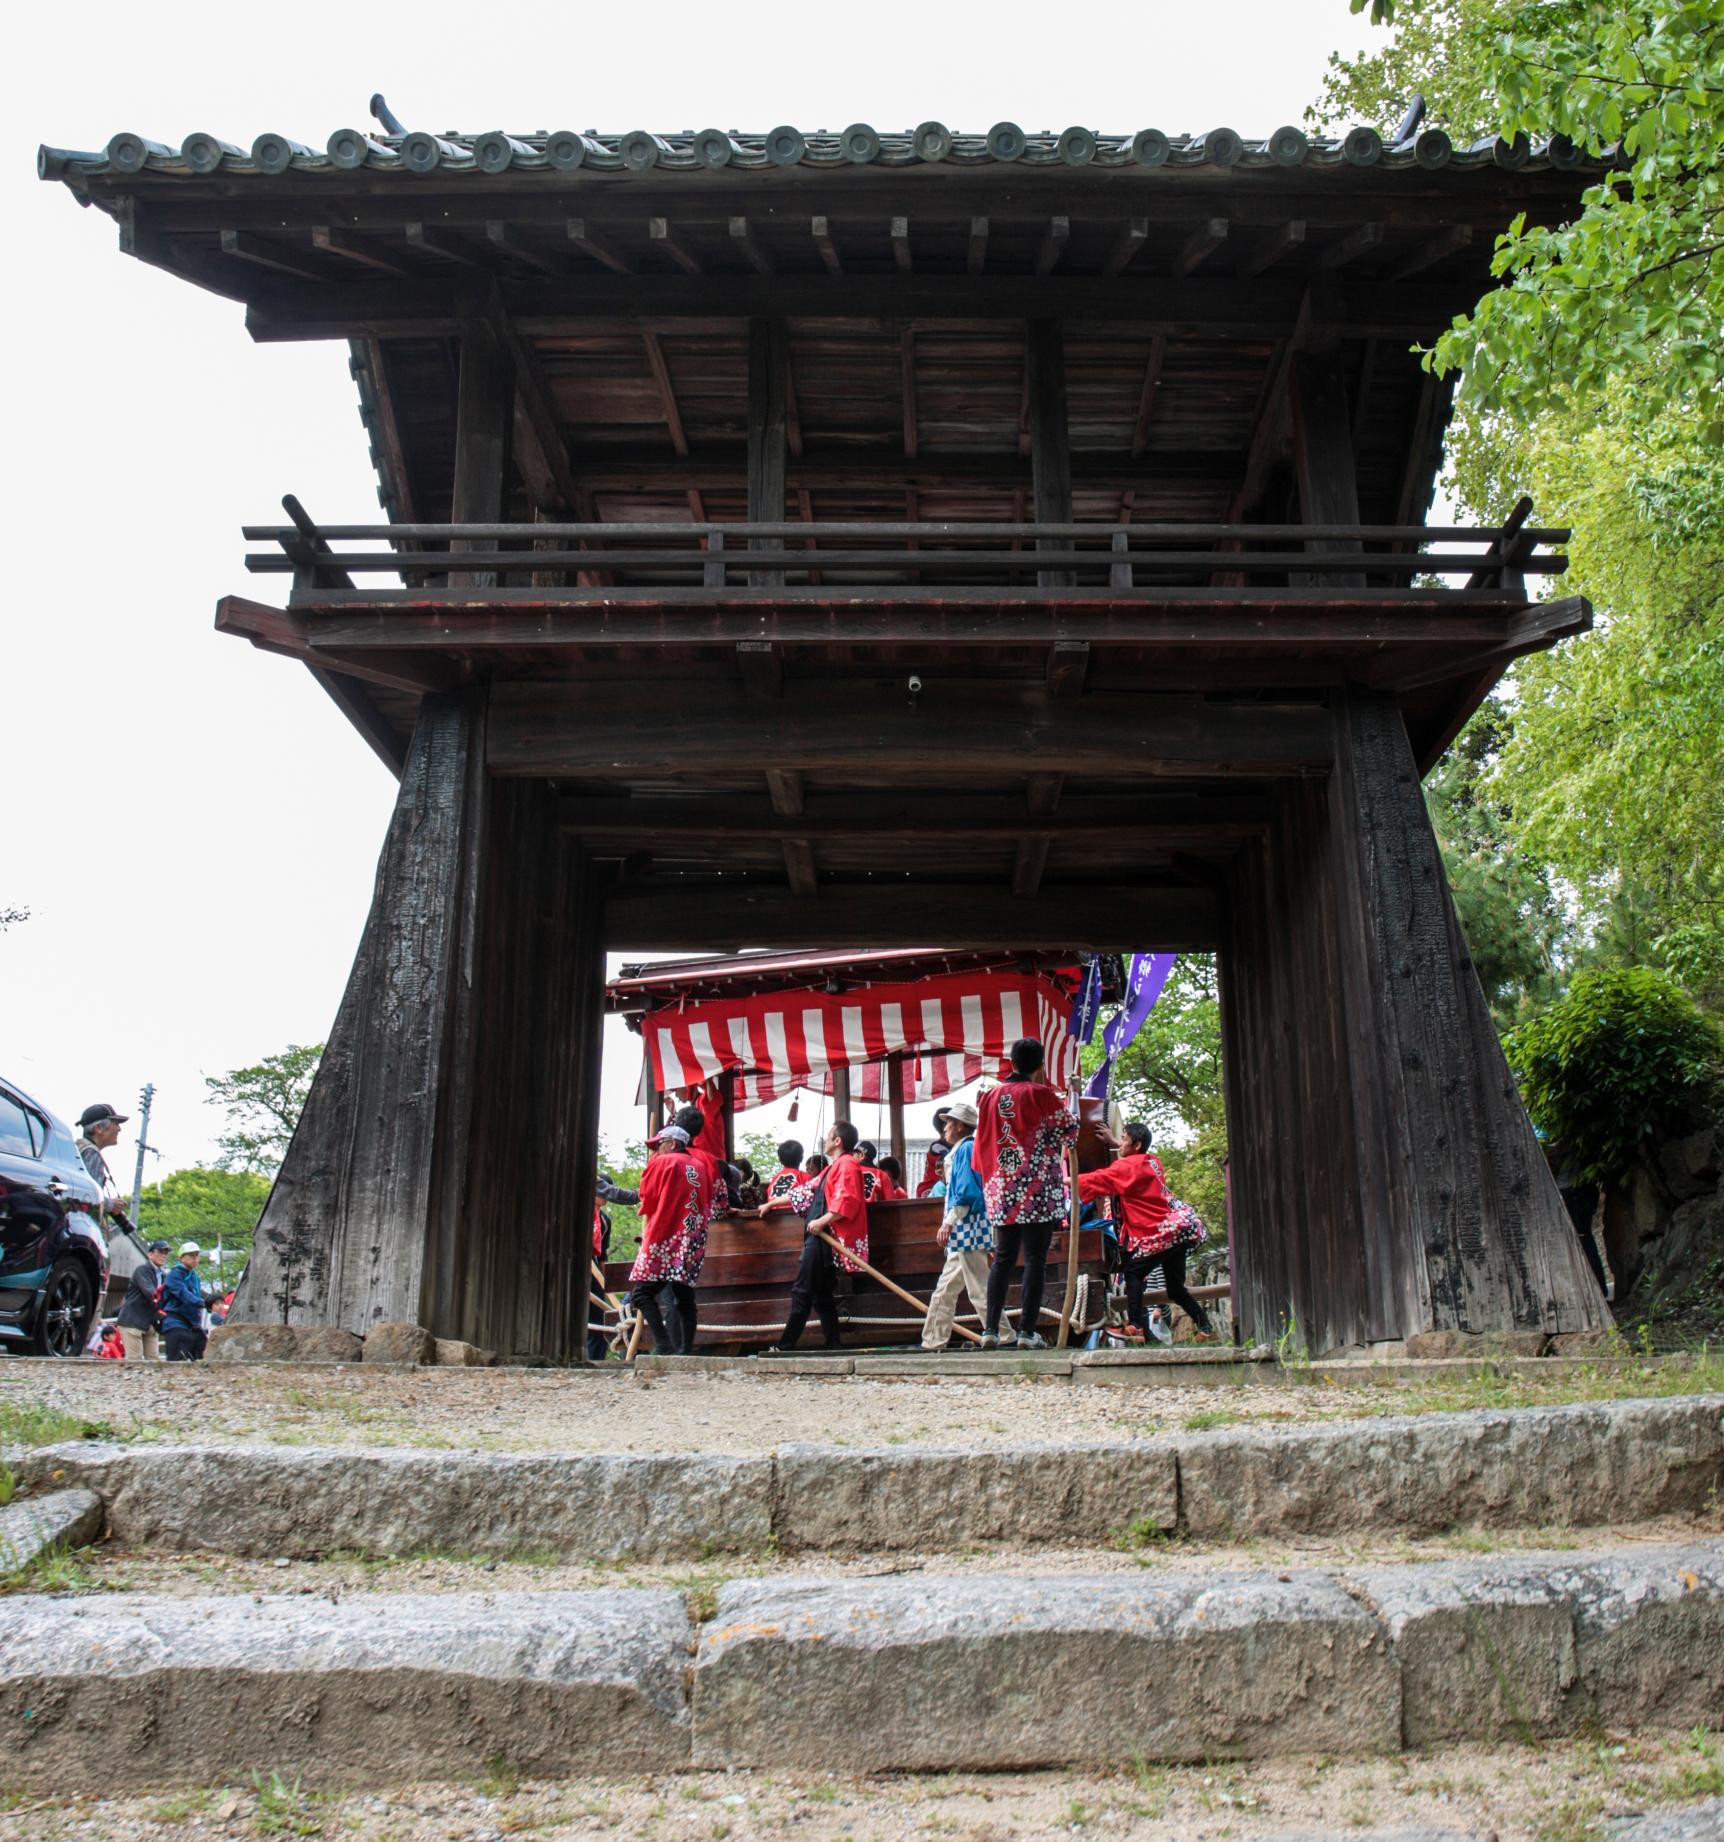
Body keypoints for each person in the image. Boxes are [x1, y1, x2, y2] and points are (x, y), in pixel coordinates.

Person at [973, 1037, 1077, 1350]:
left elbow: (981, 1146)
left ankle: (990, 1329)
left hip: (1000, 1187)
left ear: (1013, 1063)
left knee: (1002, 1258)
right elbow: (1069, 1131)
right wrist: (1071, 1098)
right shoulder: (1041, 1094)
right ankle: (1027, 1332)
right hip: (1037, 1188)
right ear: (1041, 1064)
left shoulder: (990, 1097)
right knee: (1035, 1258)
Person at [1079, 1122, 1215, 1340]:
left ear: (1137, 1144)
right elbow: (1134, 1159)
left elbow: (1098, 1179)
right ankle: (1207, 1329)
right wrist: (1116, 1143)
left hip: (1164, 1231)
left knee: (1133, 1272)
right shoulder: (1152, 1162)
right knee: (1175, 1289)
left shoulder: (1127, 1167)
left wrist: (1063, 1181)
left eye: (1124, 1139)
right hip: (1181, 1228)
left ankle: (1135, 1327)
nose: (1120, 1142)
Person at [624, 1124, 716, 1355]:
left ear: (672, 1143)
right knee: (684, 1295)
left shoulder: (661, 1162)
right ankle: (685, 1349)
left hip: (664, 1235)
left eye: (658, 1144)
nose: (655, 1150)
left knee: (642, 1293)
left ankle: (664, 1345)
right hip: (693, 1238)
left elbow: (647, 1198)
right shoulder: (701, 1166)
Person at [776, 1121, 867, 1351]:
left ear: (838, 1141)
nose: (825, 1140)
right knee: (821, 1295)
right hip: (820, 1237)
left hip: (824, 1237)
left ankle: (785, 1346)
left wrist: (822, 1221)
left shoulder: (847, 1165)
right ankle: (833, 1344)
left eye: (829, 1136)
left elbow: (847, 1200)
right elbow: (805, 1191)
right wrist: (770, 1203)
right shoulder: (832, 1167)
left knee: (803, 1290)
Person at [922, 1104, 991, 1352]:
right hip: (967, 1227)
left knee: (976, 1288)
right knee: (949, 1289)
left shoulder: (966, 1149)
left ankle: (1002, 1334)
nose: (945, 1128)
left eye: (948, 1123)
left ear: (960, 1126)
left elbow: (965, 1192)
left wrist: (949, 1221)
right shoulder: (967, 1148)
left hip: (966, 1225)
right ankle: (933, 1340)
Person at [116, 1237, 169, 1361]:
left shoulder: (164, 1275)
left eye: (165, 1253)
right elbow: (150, 1291)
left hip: (150, 1322)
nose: (163, 1255)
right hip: (132, 1320)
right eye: (160, 1252)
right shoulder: (142, 1270)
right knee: (135, 1360)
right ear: (150, 1254)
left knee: (154, 1360)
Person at [161, 1242, 208, 1362]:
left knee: (202, 1347)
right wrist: (203, 1303)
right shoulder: (174, 1275)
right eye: (191, 1255)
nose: (195, 1258)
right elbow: (184, 1294)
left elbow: (199, 1293)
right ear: (181, 1258)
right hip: (176, 1322)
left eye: (197, 1255)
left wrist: (212, 1301)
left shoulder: (194, 1276)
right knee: (177, 1359)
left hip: (192, 1324)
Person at [760, 1140, 806, 1210]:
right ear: (801, 1158)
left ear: (780, 1160)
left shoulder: (774, 1180)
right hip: (795, 1217)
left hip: (773, 1217)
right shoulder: (805, 1177)